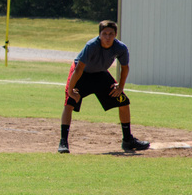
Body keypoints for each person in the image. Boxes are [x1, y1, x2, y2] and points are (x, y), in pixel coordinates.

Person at [58, 20, 150, 154]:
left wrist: (120, 87)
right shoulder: (91, 45)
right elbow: (78, 69)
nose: (108, 37)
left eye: (111, 34)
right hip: (81, 74)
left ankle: (128, 140)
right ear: (99, 35)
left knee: (123, 102)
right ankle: (63, 142)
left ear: (116, 35)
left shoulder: (121, 48)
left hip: (100, 74)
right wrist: (71, 90)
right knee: (69, 103)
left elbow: (125, 68)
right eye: (104, 33)